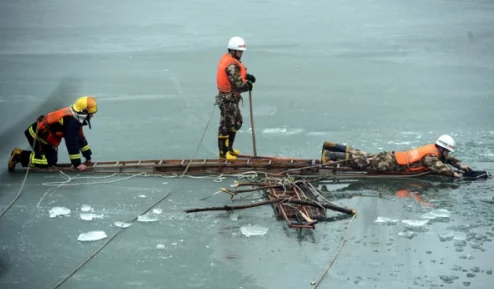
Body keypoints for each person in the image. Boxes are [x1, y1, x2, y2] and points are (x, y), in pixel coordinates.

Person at [8, 96, 98, 172]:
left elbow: (80, 138)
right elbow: (71, 144)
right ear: (83, 112)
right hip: (37, 136)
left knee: (52, 160)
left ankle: (28, 155)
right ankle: (18, 156)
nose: (92, 116)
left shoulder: (75, 118)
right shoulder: (71, 123)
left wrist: (88, 157)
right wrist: (77, 164)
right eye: (91, 114)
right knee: (47, 162)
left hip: (46, 139)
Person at [320, 134, 471, 178]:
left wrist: (459, 165)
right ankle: (330, 155)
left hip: (393, 157)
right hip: (390, 164)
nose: (449, 154)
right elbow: (439, 167)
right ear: (443, 149)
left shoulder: (433, 149)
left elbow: (447, 160)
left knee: (362, 155)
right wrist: (453, 173)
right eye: (448, 151)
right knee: (359, 161)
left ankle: (331, 145)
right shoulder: (431, 156)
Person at [215, 36, 256, 161]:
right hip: (227, 99)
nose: (241, 54)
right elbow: (237, 84)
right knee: (226, 125)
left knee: (236, 122)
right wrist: (247, 86)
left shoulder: (232, 61)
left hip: (233, 99)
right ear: (232, 51)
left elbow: (238, 76)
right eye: (239, 51)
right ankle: (223, 153)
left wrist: (246, 76)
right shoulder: (231, 65)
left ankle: (230, 148)